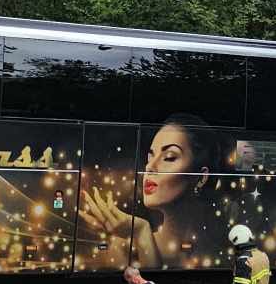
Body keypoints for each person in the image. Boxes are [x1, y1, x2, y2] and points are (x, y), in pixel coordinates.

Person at [82, 116, 231, 271]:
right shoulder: (124, 247)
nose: (149, 167)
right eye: (150, 157)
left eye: (169, 157)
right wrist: (142, 233)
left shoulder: (220, 253)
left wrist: (143, 233)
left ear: (200, 178)